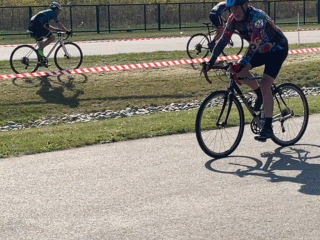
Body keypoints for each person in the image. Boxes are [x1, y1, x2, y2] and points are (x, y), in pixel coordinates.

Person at [204, 0, 288, 142]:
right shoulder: (232, 19)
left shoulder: (257, 17)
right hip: (261, 50)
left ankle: (268, 127)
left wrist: (241, 63)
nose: (234, 11)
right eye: (231, 8)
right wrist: (211, 61)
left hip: (276, 49)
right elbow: (224, 40)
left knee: (266, 83)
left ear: (245, 5)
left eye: (237, 7)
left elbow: (254, 43)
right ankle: (260, 95)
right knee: (239, 72)